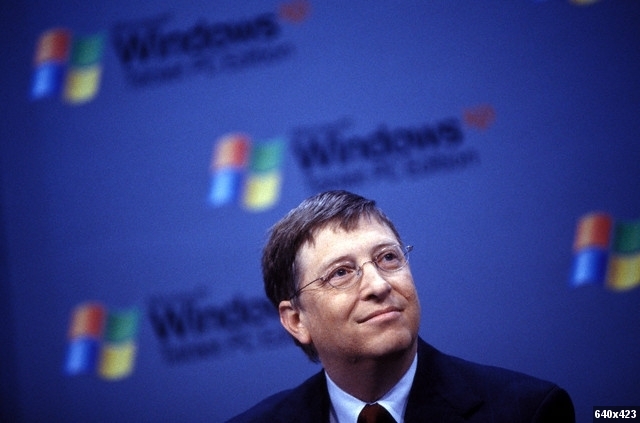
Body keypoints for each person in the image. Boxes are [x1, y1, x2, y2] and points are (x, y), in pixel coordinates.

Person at [227, 190, 575, 423]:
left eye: (388, 258)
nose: (379, 285)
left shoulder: (528, 410)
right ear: (296, 320)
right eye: (341, 273)